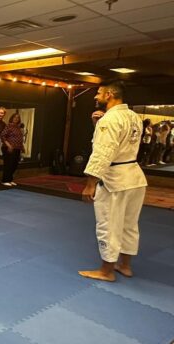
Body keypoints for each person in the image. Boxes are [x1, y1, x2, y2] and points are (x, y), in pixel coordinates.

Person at [79, 81, 147, 282]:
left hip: (115, 179)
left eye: (98, 93)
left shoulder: (109, 120)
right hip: (134, 177)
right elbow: (120, 144)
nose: (95, 96)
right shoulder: (134, 117)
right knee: (129, 224)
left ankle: (106, 271)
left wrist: (90, 184)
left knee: (108, 224)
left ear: (109, 95)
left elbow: (103, 152)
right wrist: (97, 125)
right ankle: (125, 266)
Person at [0, 112, 25, 186]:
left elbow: (20, 138)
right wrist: (9, 145)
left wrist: (22, 147)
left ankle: (10, 179)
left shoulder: (18, 127)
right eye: (15, 117)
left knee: (14, 164)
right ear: (12, 118)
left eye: (17, 118)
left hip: (17, 148)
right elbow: (2, 136)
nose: (16, 119)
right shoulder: (8, 126)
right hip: (8, 148)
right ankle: (5, 180)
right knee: (8, 164)